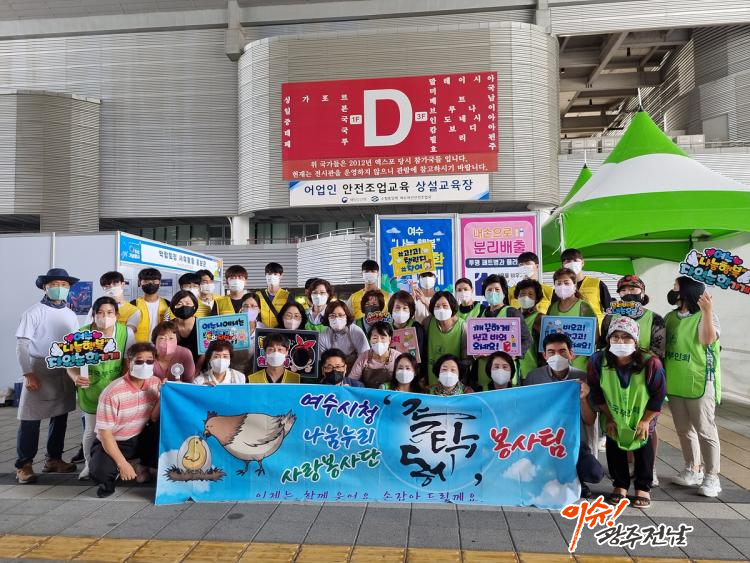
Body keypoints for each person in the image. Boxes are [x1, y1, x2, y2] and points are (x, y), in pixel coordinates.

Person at [588, 317, 666, 509]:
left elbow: (658, 394)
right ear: (608, 339)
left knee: (642, 445)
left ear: (636, 341)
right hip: (613, 413)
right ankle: (620, 485)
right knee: (614, 445)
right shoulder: (598, 360)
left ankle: (643, 487)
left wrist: (646, 420)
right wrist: (609, 417)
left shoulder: (651, 363)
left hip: (643, 414)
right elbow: (596, 392)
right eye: (615, 337)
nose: (620, 342)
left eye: (626, 337)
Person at [15, 268, 81, 484]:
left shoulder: (70, 314)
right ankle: (24, 464)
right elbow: (22, 346)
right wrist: (28, 373)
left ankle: (54, 459)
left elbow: (75, 345)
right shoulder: (33, 312)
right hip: (39, 368)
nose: (59, 288)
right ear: (45, 287)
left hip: (64, 368)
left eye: (64, 285)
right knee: (30, 418)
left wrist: (77, 372)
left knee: (60, 415)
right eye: (54, 284)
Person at [524, 333, 604, 498]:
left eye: (562, 351)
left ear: (571, 354)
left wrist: (583, 399)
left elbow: (590, 420)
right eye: (551, 352)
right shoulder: (534, 377)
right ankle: (562, 479)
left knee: (594, 473)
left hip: (574, 443)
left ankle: (577, 478)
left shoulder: (583, 378)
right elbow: (527, 413)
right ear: (544, 355)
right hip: (543, 441)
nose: (557, 356)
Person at [665, 276, 722, 497]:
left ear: (687, 290)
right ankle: (693, 468)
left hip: (699, 381)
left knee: (705, 430)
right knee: (683, 430)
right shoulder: (670, 317)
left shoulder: (707, 316)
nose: (672, 291)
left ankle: (712, 476)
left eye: (675, 287)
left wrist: (707, 311)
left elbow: (707, 340)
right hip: (676, 381)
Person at [69, 297, 133, 480]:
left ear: (117, 315)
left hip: (116, 390)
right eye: (100, 313)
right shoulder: (82, 334)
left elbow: (127, 364)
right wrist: (76, 377)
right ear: (94, 315)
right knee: (91, 430)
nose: (105, 317)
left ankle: (113, 465)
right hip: (91, 390)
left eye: (109, 313)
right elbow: (69, 364)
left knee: (114, 431)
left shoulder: (126, 333)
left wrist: (123, 387)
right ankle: (89, 464)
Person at [89, 342, 161, 498]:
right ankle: (117, 473)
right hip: (116, 440)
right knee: (100, 472)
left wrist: (163, 396)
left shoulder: (155, 382)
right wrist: (122, 464)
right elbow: (105, 434)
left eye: (149, 361)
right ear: (129, 362)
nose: (145, 365)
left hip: (141, 436)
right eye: (139, 361)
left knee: (161, 426)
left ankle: (142, 464)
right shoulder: (112, 393)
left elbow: (154, 417)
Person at [471, 274, 530, 390]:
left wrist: (515, 354)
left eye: (497, 289)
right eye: (489, 290)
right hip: (483, 370)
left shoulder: (512, 313)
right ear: (484, 293)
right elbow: (475, 342)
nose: (493, 292)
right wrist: (475, 353)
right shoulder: (480, 314)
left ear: (504, 292)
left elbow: (527, 339)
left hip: (505, 369)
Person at [601, 275, 666, 359]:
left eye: (632, 289)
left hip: (643, 365)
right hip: (613, 364)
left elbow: (658, 352)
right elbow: (603, 345)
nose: (628, 293)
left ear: (642, 292)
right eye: (623, 290)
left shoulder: (655, 318)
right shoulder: (610, 317)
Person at [547, 267, 599, 371]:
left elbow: (595, 335)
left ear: (574, 285)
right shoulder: (552, 307)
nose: (562, 286)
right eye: (558, 283)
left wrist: (575, 354)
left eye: (566, 283)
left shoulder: (584, 307)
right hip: (556, 364)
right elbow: (547, 332)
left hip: (579, 364)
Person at [560, 248, 612, 327]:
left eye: (575, 260)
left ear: (582, 263)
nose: (572, 263)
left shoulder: (597, 283)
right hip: (570, 329)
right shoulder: (560, 287)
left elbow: (610, 309)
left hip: (595, 330)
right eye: (568, 261)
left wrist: (605, 328)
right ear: (562, 265)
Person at [424, 291, 467, 386]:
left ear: (452, 306)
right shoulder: (427, 323)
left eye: (445, 306)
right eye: (437, 306)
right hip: (432, 379)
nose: (441, 309)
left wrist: (463, 383)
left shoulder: (462, 326)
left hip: (454, 379)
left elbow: (466, 360)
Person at [318, 301, 370, 368]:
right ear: (327, 318)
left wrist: (354, 374)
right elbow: (322, 361)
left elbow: (365, 356)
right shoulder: (323, 336)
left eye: (340, 315)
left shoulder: (356, 331)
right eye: (332, 316)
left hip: (355, 368)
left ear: (346, 316)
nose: (337, 319)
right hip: (332, 369)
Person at [387, 290, 426, 378]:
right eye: (397, 307)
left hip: (413, 374)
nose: (401, 311)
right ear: (391, 309)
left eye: (405, 308)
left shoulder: (417, 328)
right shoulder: (386, 329)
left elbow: (422, 355)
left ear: (410, 310)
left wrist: (420, 377)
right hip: (391, 374)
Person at [349, 321, 399, 388]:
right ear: (370, 340)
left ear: (389, 339)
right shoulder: (363, 357)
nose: (379, 341)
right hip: (367, 394)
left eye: (383, 338)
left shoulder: (397, 357)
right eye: (375, 338)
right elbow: (352, 381)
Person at [514, 278, 545, 382]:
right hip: (512, 371)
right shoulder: (510, 315)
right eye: (522, 294)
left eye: (531, 294)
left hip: (532, 372)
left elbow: (544, 350)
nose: (526, 297)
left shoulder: (540, 318)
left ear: (537, 298)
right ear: (517, 296)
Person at [131, 268, 170, 343]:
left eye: (154, 281)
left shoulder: (168, 304)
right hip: (139, 346)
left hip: (161, 345)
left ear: (160, 283)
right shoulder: (133, 304)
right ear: (140, 283)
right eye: (146, 281)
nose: (150, 284)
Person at [231, 292, 262, 374]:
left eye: (253, 306)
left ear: (259, 310)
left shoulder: (264, 329)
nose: (249, 309)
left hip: (255, 373)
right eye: (245, 306)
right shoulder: (232, 327)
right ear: (241, 309)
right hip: (234, 372)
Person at [169, 290, 201, 365]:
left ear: (194, 306)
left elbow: (205, 351)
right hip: (174, 367)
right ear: (173, 308)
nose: (184, 306)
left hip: (200, 367)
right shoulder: (168, 326)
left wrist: (197, 368)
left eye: (188, 303)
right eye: (179, 304)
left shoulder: (202, 325)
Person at [258, 262, 292, 328]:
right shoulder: (258, 295)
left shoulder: (287, 296)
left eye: (275, 274)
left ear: (281, 276)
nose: (272, 276)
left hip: (280, 332)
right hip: (261, 332)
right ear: (265, 275)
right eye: (269, 274)